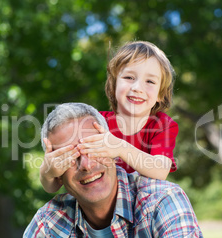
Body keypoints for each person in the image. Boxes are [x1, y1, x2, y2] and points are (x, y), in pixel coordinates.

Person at [15, 103, 214, 238]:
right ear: (56, 173)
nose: (87, 165)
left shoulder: (162, 202)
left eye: (94, 147)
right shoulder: (48, 225)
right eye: (69, 158)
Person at [40, 41, 179, 193]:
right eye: (129, 77)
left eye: (150, 81)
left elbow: (160, 171)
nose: (137, 88)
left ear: (160, 94)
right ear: (113, 85)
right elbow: (53, 187)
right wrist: (47, 172)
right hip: (99, 202)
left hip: (143, 204)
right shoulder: (95, 123)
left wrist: (120, 148)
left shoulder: (162, 125)